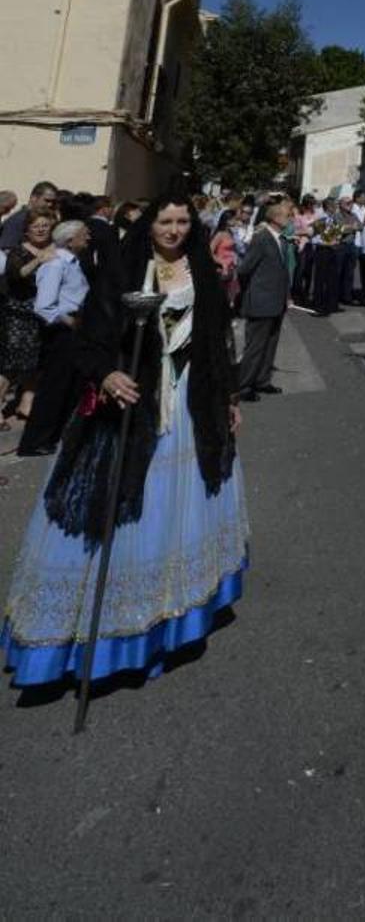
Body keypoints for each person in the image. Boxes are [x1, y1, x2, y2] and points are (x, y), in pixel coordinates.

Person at [1, 191, 247, 688]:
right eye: (165, 222)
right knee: (120, 510)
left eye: (182, 222)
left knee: (178, 509)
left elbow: (216, 341)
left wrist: (227, 397)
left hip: (188, 402)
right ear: (149, 225)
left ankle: (172, 618)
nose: (174, 231)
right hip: (132, 407)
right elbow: (88, 342)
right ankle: (101, 636)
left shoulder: (200, 270)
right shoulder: (124, 272)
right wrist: (108, 374)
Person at [19, 219, 93, 456]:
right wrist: (69, 321)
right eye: (84, 234)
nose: (88, 237)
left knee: (68, 386)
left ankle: (53, 436)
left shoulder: (72, 262)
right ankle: (35, 441)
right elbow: (44, 306)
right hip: (61, 332)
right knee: (54, 386)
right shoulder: (56, 264)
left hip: (73, 328)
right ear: (70, 240)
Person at [0, 214, 57, 433]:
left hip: (41, 314)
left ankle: (27, 404)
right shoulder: (18, 251)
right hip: (17, 315)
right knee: (10, 364)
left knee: (36, 362)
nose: (41, 229)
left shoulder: (55, 249)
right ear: (27, 230)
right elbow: (17, 274)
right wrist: (39, 260)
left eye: (45, 225)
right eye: (36, 226)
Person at [236, 197, 293, 401]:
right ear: (275, 218)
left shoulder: (281, 239)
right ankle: (244, 386)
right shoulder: (261, 238)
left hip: (276, 301)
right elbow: (244, 269)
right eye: (287, 215)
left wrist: (287, 296)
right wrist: (253, 293)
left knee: (270, 344)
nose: (290, 218)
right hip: (261, 301)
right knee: (256, 346)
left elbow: (283, 271)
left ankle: (262, 381)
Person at [0, 181, 60, 252]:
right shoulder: (18, 221)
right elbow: (7, 250)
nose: (50, 204)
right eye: (47, 200)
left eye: (53, 202)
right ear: (33, 198)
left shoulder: (51, 218)